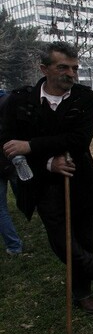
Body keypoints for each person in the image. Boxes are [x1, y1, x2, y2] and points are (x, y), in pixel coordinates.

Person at [0, 41, 93, 314]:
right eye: (63, 67)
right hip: (43, 185)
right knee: (62, 243)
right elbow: (10, 144)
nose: (71, 74)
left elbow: (79, 139)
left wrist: (32, 145)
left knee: (84, 240)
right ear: (44, 68)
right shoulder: (20, 101)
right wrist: (48, 161)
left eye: (74, 68)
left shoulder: (84, 97)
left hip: (81, 178)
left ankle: (82, 292)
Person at [0, 92, 24, 256]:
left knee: (2, 209)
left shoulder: (10, 101)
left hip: (12, 159)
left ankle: (14, 246)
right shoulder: (10, 101)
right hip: (13, 159)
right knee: (24, 194)